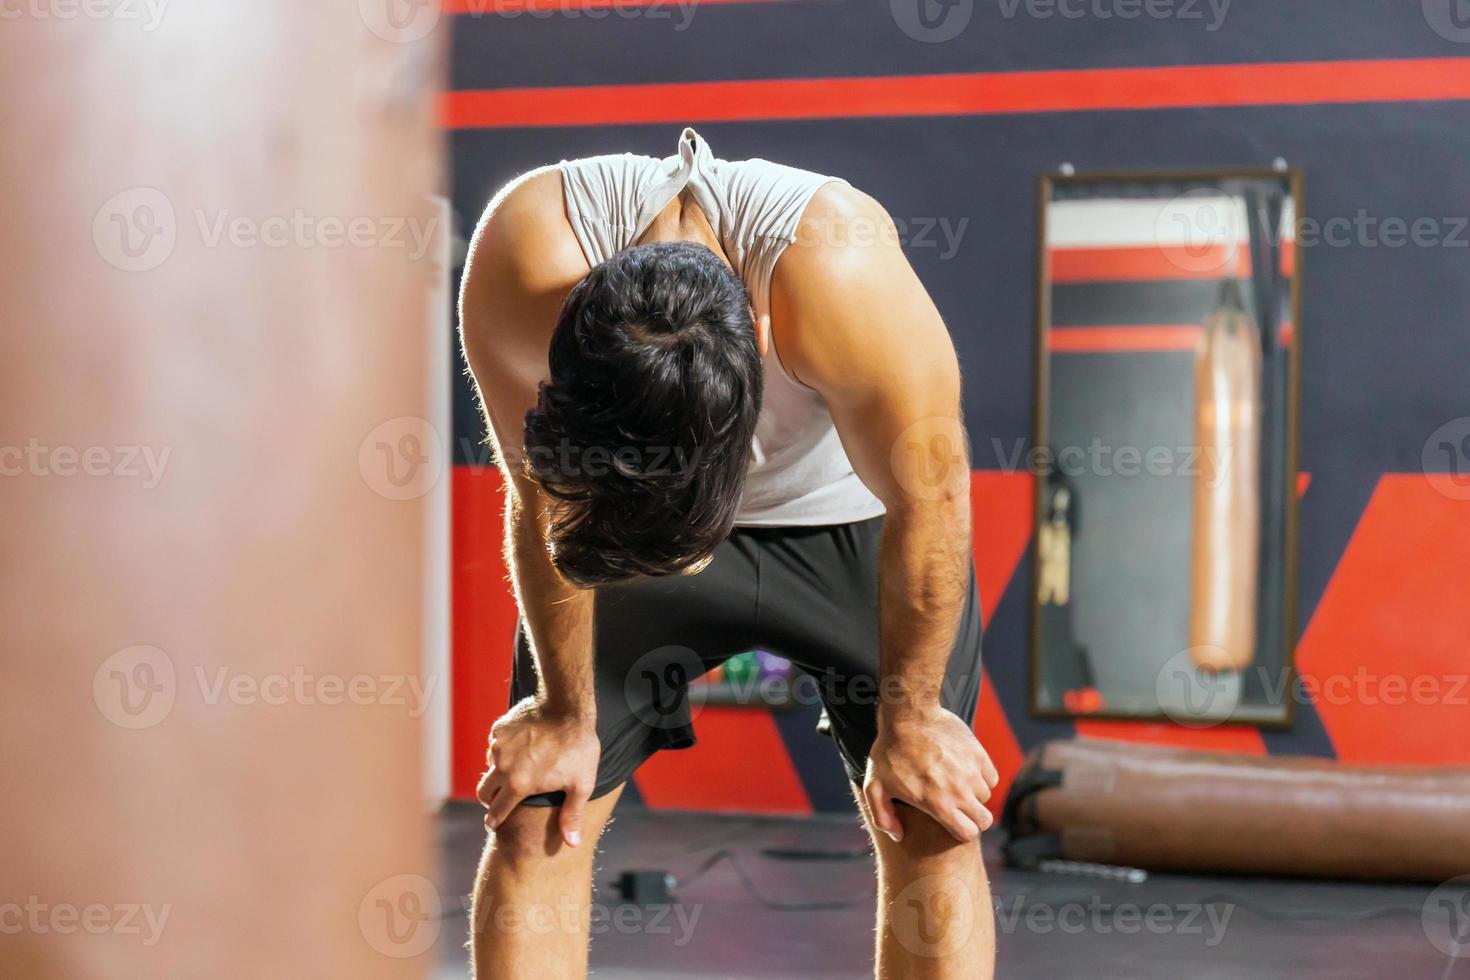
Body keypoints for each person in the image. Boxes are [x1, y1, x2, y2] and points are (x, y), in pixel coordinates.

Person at [458, 127, 997, 979]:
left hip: (850, 522)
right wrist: (564, 712)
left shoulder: (841, 271)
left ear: (757, 329)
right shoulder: (525, 263)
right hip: (623, 525)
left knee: (932, 812)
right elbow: (540, 495)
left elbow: (932, 497)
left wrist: (917, 719)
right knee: (537, 809)